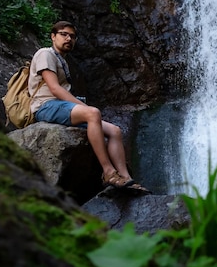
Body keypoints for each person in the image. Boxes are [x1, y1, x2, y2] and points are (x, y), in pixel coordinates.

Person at [29, 21, 143, 190]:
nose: (69, 39)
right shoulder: (45, 54)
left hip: (59, 107)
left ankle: (126, 178)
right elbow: (54, 88)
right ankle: (108, 172)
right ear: (53, 36)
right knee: (93, 113)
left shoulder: (62, 60)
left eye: (72, 36)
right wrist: (84, 107)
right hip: (45, 106)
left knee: (114, 131)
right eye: (64, 34)